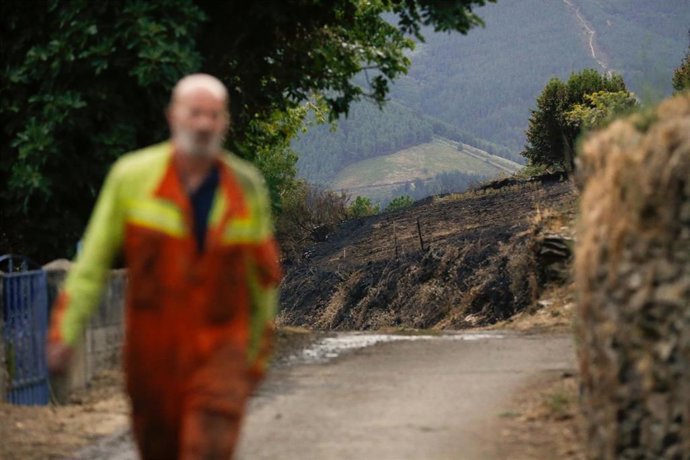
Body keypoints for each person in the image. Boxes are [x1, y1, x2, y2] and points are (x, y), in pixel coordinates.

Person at [46, 73, 282, 459]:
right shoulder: (132, 177)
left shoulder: (247, 186)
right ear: (173, 116)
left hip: (221, 351)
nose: (204, 124)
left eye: (213, 115)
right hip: (153, 358)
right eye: (195, 114)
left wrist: (254, 358)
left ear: (224, 122)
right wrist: (65, 333)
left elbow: (263, 281)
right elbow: (91, 266)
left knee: (206, 447)